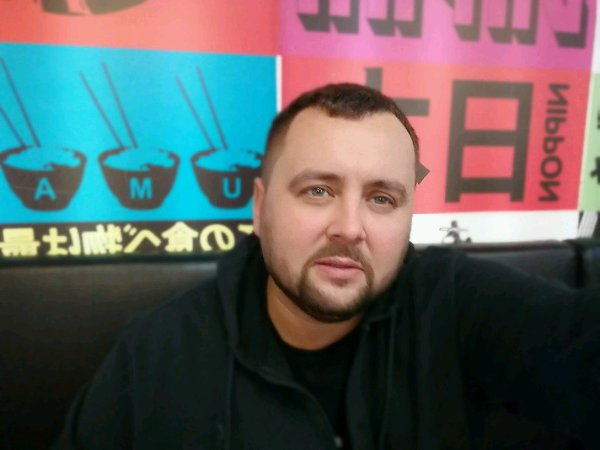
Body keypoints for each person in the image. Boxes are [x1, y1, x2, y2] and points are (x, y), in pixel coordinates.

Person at [53, 83, 599, 449]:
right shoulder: (157, 353)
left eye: (382, 199)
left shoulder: (454, 305)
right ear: (260, 208)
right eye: (318, 190)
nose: (350, 226)